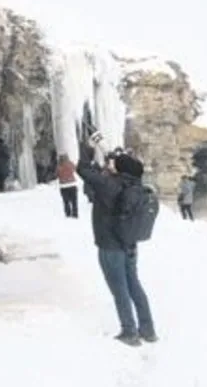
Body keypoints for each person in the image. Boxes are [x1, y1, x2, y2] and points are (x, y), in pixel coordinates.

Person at [76, 136, 158, 347]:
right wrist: (115, 161)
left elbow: (83, 170)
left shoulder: (109, 184)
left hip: (110, 245)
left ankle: (129, 331)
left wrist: (88, 148)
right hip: (130, 243)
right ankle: (148, 330)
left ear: (119, 170)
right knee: (134, 286)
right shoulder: (136, 186)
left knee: (119, 288)